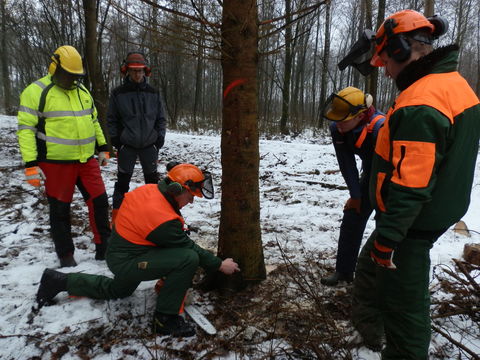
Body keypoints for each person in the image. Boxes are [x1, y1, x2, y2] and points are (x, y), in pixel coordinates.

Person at [341, 10, 480, 357]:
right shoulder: (453, 84)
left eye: (386, 60)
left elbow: (411, 184)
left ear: (403, 50)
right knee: (368, 271)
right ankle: (370, 330)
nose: (385, 70)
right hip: (422, 215)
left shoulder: (421, 103)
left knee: (406, 308)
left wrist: (388, 239)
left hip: (410, 225)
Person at [35, 163, 240, 337]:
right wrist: (219, 265)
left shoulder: (152, 190)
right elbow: (185, 247)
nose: (192, 201)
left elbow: (162, 237)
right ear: (178, 189)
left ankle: (58, 281)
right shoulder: (161, 217)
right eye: (191, 196)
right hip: (128, 259)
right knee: (188, 258)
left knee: (118, 290)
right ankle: (165, 319)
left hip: (124, 252)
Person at [17, 45, 111, 267]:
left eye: (74, 76)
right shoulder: (36, 92)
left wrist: (103, 146)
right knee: (60, 210)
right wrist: (30, 164)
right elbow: (26, 129)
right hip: (55, 163)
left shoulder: (83, 92)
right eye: (67, 75)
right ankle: (66, 255)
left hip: (86, 160)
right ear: (54, 68)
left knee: (99, 202)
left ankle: (104, 248)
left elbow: (94, 120)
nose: (70, 80)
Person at [320, 87, 384, 286]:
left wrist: (379, 199)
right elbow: (346, 163)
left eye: (343, 119)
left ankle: (381, 279)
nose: (338, 123)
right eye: (336, 118)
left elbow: (388, 169)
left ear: (361, 115)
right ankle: (344, 271)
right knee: (352, 217)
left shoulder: (381, 128)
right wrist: (355, 195)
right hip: (369, 174)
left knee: (386, 226)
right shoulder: (337, 129)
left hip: (388, 179)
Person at [107, 52, 167, 223]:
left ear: (145, 71)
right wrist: (116, 139)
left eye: (140, 71)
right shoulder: (118, 93)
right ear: (127, 71)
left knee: (152, 183)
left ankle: (155, 216)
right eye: (133, 71)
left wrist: (159, 137)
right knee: (123, 182)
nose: (137, 74)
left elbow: (160, 118)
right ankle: (117, 218)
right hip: (127, 145)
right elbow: (111, 119)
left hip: (149, 144)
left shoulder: (153, 93)